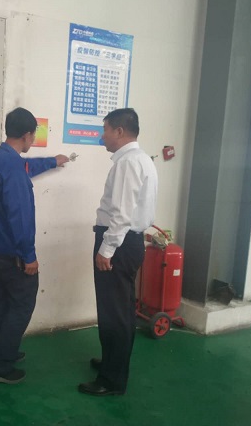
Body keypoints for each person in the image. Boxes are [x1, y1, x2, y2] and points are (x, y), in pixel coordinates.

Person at [0, 107, 69, 384]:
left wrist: (53, 161)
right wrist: (28, 256)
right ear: (27, 135)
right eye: (34, 136)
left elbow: (26, 168)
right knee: (22, 304)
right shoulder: (12, 168)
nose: (33, 140)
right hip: (14, 252)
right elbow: (19, 216)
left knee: (2, 301)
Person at [78, 108, 158, 396]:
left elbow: (121, 215)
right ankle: (113, 362)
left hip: (119, 244)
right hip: (129, 243)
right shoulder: (142, 159)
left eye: (106, 130)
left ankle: (111, 380)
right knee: (120, 310)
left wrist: (107, 249)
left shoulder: (128, 163)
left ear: (120, 131)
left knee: (115, 313)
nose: (103, 137)